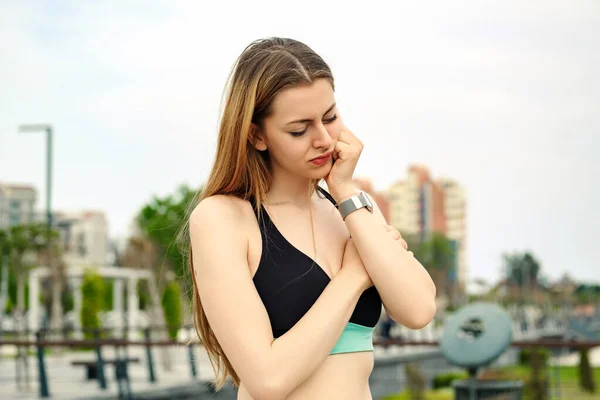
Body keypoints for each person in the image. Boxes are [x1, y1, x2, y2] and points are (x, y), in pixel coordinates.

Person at [187, 37, 436, 400]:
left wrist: (345, 188)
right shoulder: (223, 218)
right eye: (299, 129)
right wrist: (352, 277)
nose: (322, 139)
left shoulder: (351, 208)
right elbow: (268, 380)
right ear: (256, 134)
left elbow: (418, 310)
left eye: (331, 117)